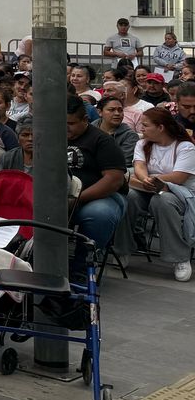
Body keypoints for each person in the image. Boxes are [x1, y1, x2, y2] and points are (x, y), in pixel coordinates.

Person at [127, 107, 195, 280]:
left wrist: (150, 179)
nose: (141, 129)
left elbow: (178, 177)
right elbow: (139, 167)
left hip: (179, 193)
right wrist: (146, 180)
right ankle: (123, 248)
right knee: (129, 196)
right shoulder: (142, 143)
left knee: (162, 201)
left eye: (145, 125)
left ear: (161, 127)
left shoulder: (185, 147)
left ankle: (179, 257)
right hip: (148, 188)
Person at [65, 92, 128, 276]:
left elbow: (113, 180)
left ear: (85, 119)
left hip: (100, 196)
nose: (64, 128)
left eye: (70, 124)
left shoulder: (102, 141)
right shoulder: (51, 137)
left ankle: (83, 268)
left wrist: (77, 199)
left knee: (98, 214)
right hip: (61, 194)